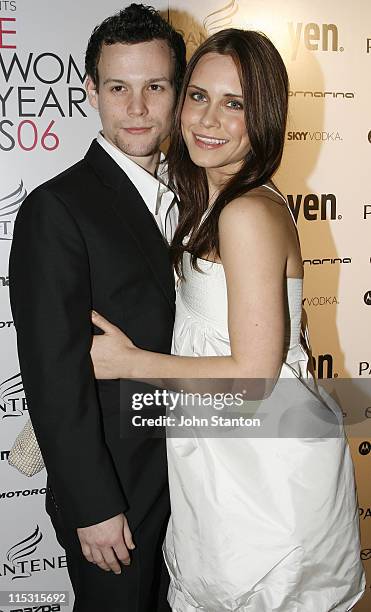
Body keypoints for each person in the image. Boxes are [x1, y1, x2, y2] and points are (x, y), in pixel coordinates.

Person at [90, 28, 365, 611]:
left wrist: (127, 363)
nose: (208, 119)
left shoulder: (245, 213)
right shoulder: (206, 203)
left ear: (262, 116)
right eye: (199, 96)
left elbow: (253, 377)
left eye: (234, 103)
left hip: (264, 484)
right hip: (224, 468)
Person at [9, 4, 186, 612]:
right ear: (91, 91)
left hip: (194, 476)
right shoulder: (57, 210)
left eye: (154, 87)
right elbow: (53, 375)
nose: (137, 109)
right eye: (118, 88)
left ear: (177, 92)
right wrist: (93, 505)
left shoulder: (201, 199)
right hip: (116, 489)